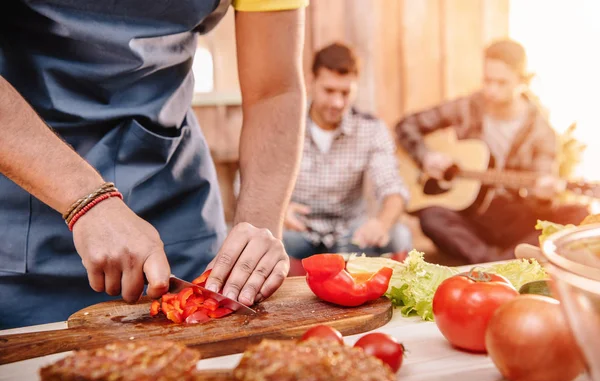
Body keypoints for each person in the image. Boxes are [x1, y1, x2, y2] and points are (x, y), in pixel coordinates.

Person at [0, 0, 307, 329]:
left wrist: (257, 232)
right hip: (22, 226)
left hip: (179, 214)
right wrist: (85, 199)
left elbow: (275, 90)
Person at [395, 39, 588, 264]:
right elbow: (406, 125)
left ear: (522, 81)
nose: (491, 90)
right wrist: (426, 156)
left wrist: (543, 197)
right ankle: (502, 262)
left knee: (577, 215)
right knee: (430, 216)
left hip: (514, 218)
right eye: (487, 81)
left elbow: (540, 196)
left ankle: (488, 261)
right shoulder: (468, 107)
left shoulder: (541, 131)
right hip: (471, 217)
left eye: (501, 83)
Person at [283, 43, 412, 260]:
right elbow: (250, 183)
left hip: (350, 235)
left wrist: (381, 224)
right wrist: (281, 210)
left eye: (345, 92)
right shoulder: (284, 126)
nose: (337, 102)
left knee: (399, 236)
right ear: (311, 81)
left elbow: (393, 188)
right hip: (296, 233)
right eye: (329, 91)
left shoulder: (371, 129)